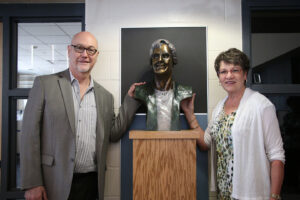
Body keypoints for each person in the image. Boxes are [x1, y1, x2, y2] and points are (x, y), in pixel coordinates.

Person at [20, 31, 142, 200]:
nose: (85, 55)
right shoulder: (44, 85)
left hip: (92, 183)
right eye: (79, 48)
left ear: (96, 55)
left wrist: (130, 100)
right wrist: (32, 183)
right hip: (53, 181)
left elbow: (113, 134)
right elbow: (29, 136)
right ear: (69, 50)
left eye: (91, 50)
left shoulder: (105, 97)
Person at [181, 48, 285, 200]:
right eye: (223, 72)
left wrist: (274, 196)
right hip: (224, 194)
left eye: (235, 70)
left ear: (244, 75)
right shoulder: (219, 108)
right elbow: (205, 143)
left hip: (252, 194)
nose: (228, 76)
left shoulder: (262, 106)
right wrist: (190, 114)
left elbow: (277, 156)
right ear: (218, 77)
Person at [134, 39, 192, 130]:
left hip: (176, 142)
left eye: (165, 56)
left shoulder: (184, 92)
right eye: (156, 56)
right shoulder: (141, 91)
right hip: (150, 143)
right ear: (151, 61)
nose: (160, 60)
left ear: (173, 61)